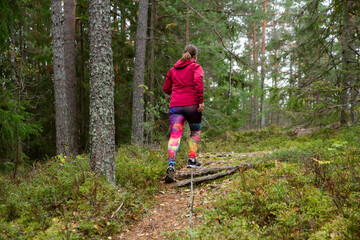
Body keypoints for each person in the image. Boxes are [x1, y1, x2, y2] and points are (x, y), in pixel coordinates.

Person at [163, 44, 205, 183]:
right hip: (192, 106)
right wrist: (200, 101)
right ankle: (192, 160)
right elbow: (198, 82)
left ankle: (171, 164)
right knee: (195, 131)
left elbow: (166, 88)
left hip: (176, 106)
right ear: (195, 56)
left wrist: (175, 95)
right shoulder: (196, 67)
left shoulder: (172, 70)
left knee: (175, 135)